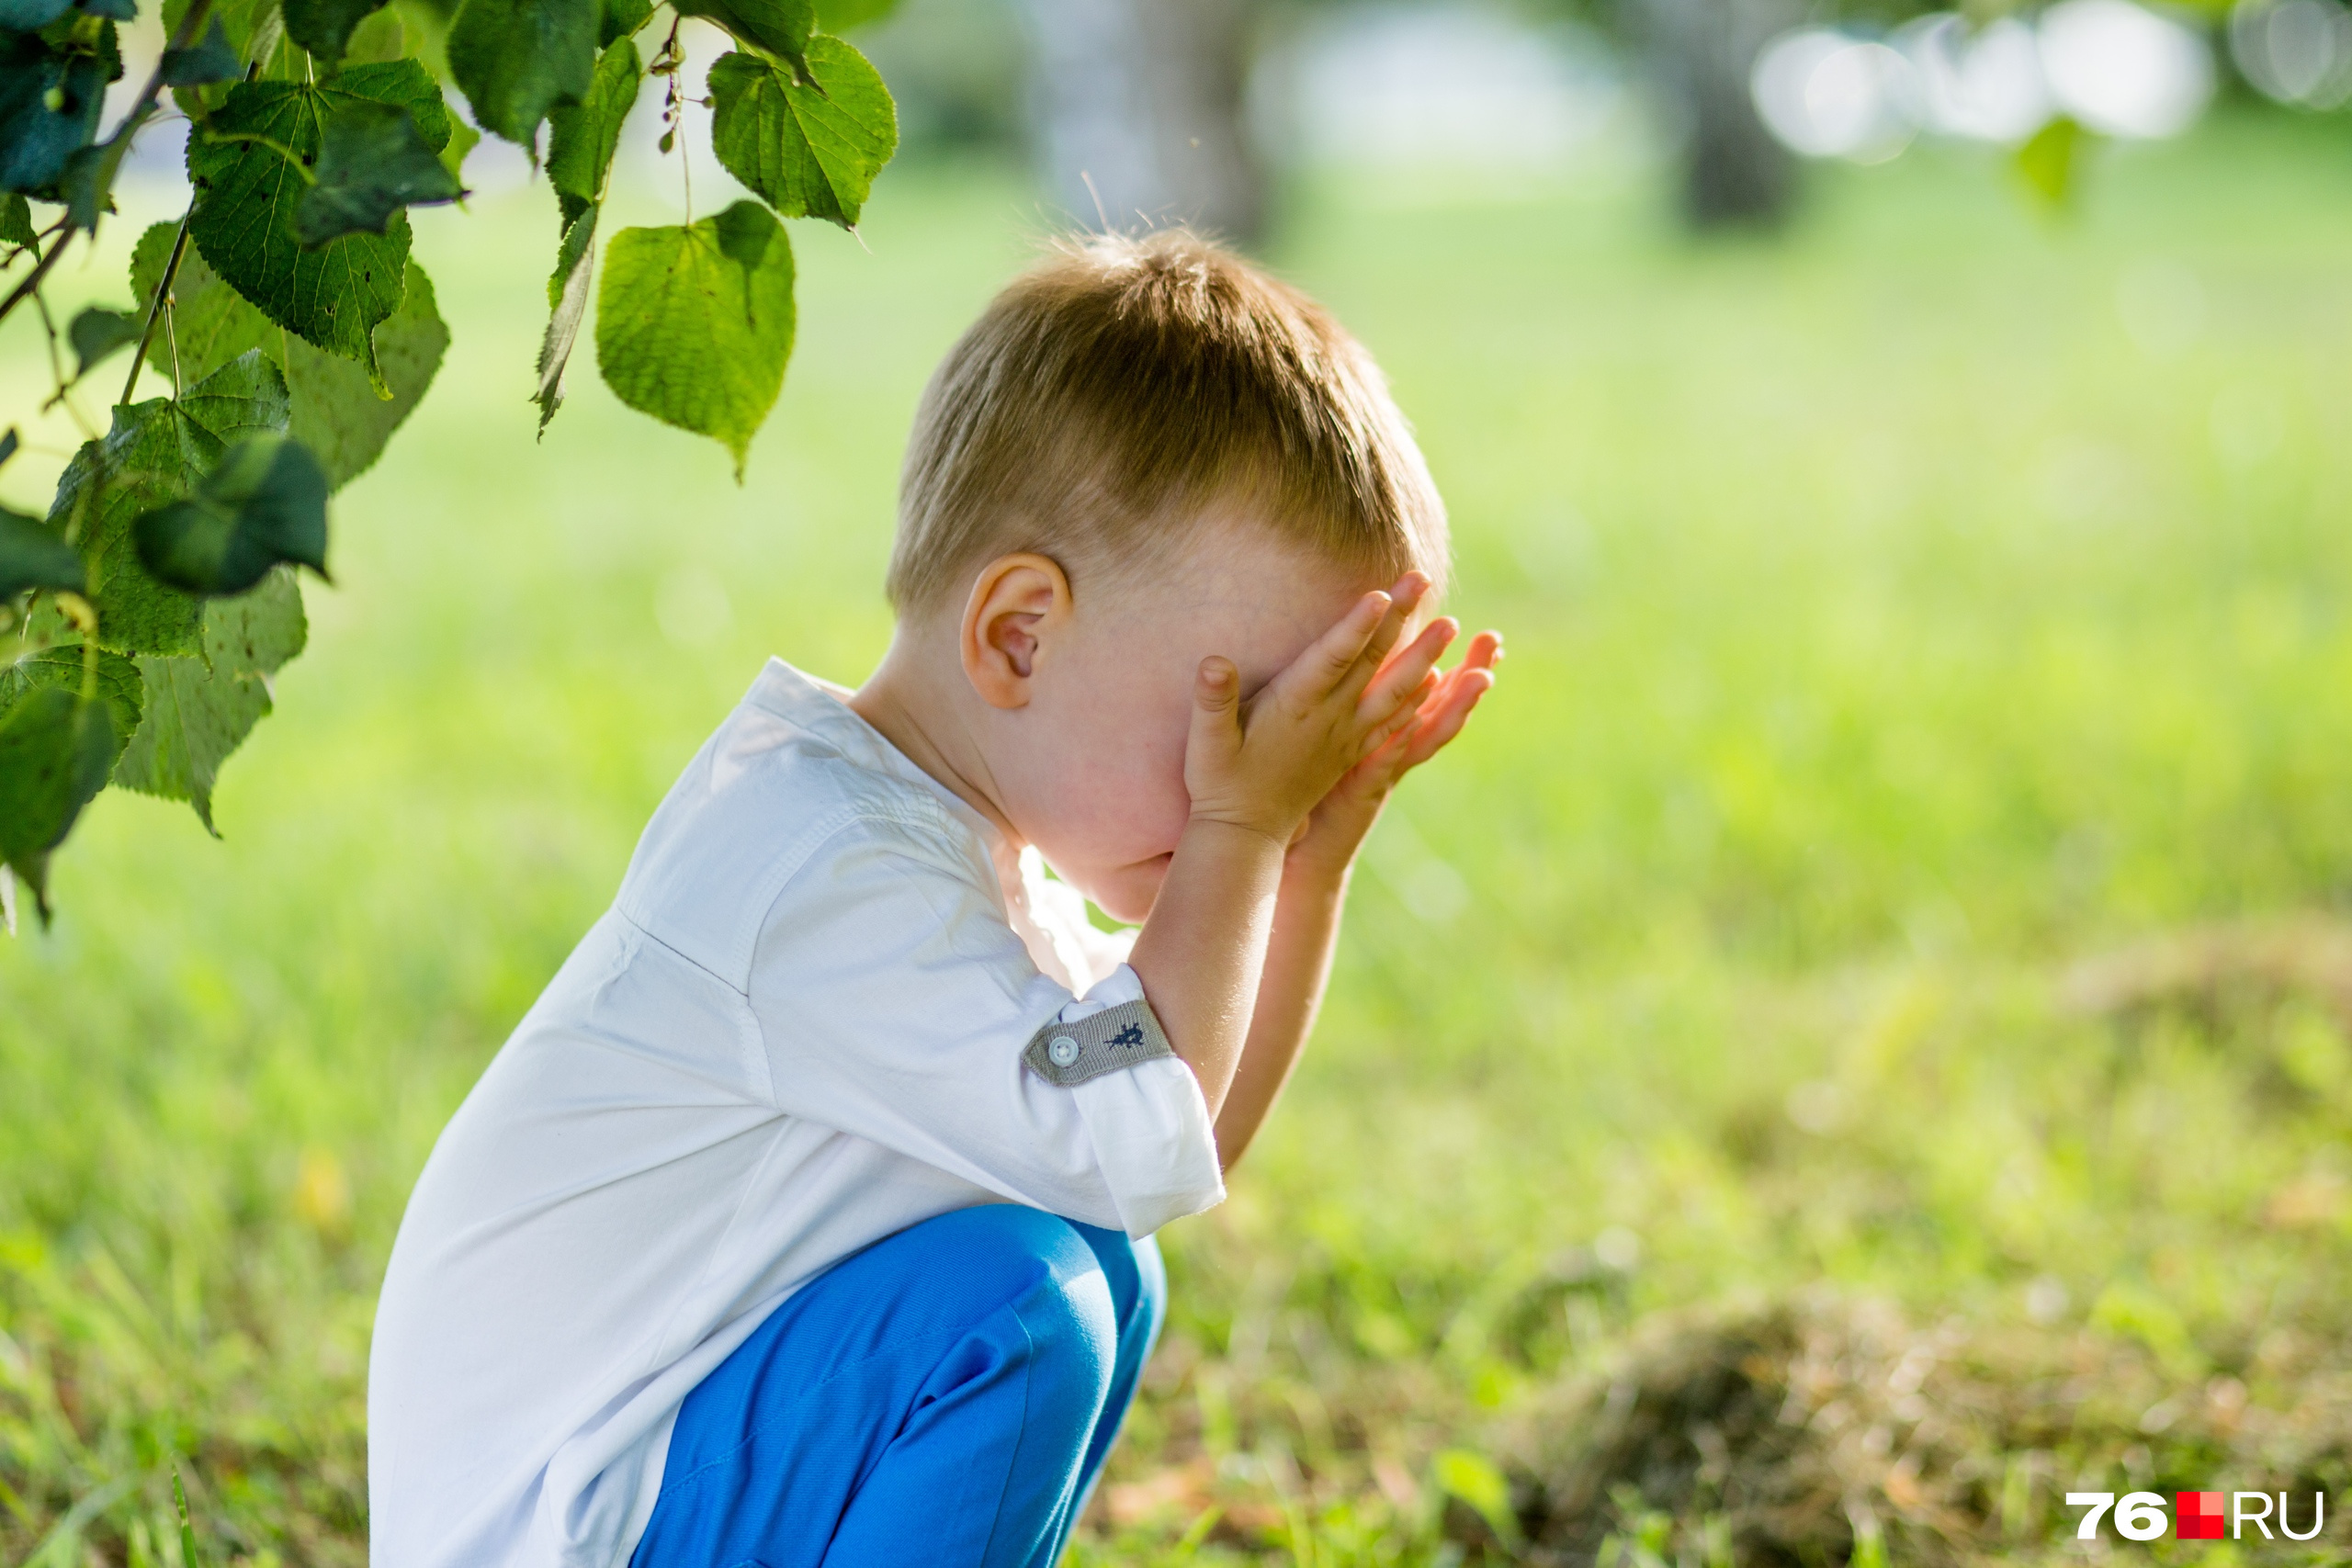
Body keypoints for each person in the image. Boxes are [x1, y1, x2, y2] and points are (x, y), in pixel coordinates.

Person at [367, 227, 1501, 1568]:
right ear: (1018, 632)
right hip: (570, 1526)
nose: (1255, 782)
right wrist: (1244, 825)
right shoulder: (824, 872)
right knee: (1018, 1306)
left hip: (664, 1491)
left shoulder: (952, 860)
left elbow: (1169, 1145)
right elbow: (1144, 1115)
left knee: (1099, 1265)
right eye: (1242, 725)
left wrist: (1303, 859)